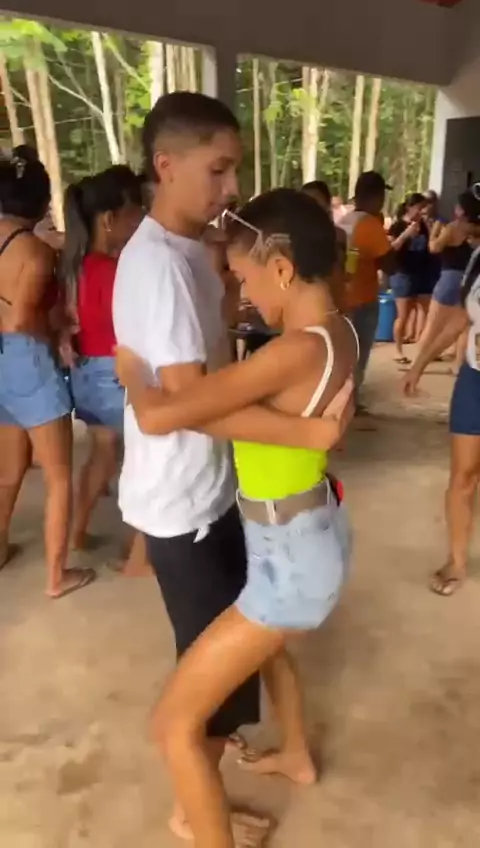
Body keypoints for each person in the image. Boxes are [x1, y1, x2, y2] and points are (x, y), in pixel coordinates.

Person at [113, 93, 354, 847]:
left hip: (278, 542)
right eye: (218, 169)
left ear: (281, 267)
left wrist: (132, 378)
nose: (241, 295)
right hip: (276, 526)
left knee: (179, 722)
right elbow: (207, 400)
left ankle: (198, 811)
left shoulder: (287, 341)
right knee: (253, 648)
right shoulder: (339, 331)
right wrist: (307, 429)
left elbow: (173, 412)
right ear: (166, 165)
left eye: (247, 280)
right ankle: (286, 760)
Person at [0, 149, 94, 597]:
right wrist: (57, 329)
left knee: (8, 470)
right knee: (58, 476)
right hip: (28, 363)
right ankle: (57, 577)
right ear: (41, 203)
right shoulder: (35, 253)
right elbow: (21, 321)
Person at [62, 166, 143, 552]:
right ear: (109, 220)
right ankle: (140, 548)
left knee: (102, 456)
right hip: (112, 372)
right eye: (134, 214)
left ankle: (76, 532)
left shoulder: (74, 265)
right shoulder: (114, 270)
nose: (139, 222)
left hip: (86, 373)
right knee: (144, 458)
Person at [402, 247, 480, 596]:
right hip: (475, 379)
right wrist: (419, 363)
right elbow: (463, 316)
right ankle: (456, 561)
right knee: (463, 474)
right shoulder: (479, 257)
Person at [338, 171, 396, 413]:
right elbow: (390, 264)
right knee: (358, 355)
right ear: (377, 197)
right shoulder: (370, 225)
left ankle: (340, 401)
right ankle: (350, 403)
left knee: (343, 354)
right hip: (362, 299)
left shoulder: (345, 220)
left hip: (340, 298)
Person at [420, 191, 480, 370]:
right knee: (464, 326)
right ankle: (457, 365)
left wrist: (434, 231)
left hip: (449, 278)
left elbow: (434, 248)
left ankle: (418, 363)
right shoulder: (476, 230)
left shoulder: (453, 227)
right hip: (469, 280)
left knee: (432, 325)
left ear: (462, 209)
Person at [388, 193, 431, 365]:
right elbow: (391, 248)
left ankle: (423, 348)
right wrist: (406, 234)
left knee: (426, 311)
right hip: (402, 273)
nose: (422, 211)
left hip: (421, 273)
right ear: (409, 207)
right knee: (403, 315)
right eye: (419, 208)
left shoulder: (424, 226)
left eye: (424, 208)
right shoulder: (398, 226)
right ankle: (397, 350)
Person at [302, 180, 348, 310]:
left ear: (327, 204)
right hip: (306, 306)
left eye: (315, 201)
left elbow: (346, 270)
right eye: (304, 201)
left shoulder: (339, 235)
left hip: (334, 303)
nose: (309, 206)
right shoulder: (293, 236)